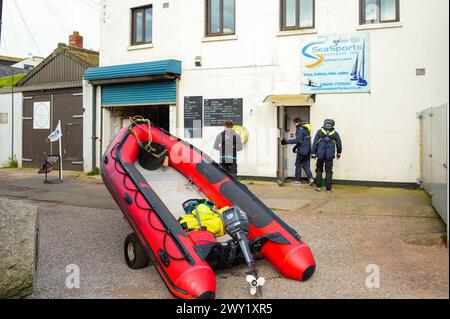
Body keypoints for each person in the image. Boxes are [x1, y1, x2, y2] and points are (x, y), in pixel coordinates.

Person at [311, 119, 342, 193]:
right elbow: (339, 144)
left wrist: (313, 154)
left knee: (319, 170)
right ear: (333, 125)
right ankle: (328, 189)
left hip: (320, 155)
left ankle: (318, 187)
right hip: (329, 156)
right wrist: (338, 153)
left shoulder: (320, 132)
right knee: (329, 171)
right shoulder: (335, 133)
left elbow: (315, 143)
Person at [281, 117, 315, 186]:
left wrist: (286, 142)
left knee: (298, 164)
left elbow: (297, 140)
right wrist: (295, 147)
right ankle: (311, 179)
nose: (295, 124)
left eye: (295, 123)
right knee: (305, 164)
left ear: (298, 122)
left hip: (302, 150)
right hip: (307, 150)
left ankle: (297, 180)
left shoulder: (300, 129)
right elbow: (303, 140)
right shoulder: (306, 129)